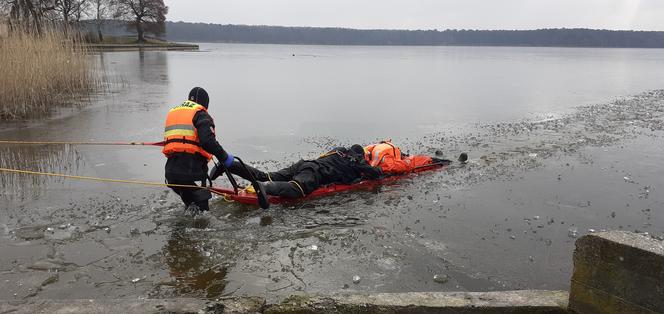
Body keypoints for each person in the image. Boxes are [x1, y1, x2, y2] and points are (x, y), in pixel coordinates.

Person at [162, 87, 235, 213]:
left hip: (171, 174)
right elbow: (208, 142)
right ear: (205, 103)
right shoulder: (200, 114)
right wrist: (224, 157)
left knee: (191, 206)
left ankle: (183, 229)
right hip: (191, 172)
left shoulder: (174, 112)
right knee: (202, 212)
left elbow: (179, 140)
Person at [216, 145, 383, 198]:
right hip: (314, 173)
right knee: (296, 188)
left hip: (304, 164)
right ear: (360, 156)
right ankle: (265, 188)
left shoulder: (338, 150)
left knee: (267, 174)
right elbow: (376, 173)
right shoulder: (356, 163)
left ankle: (230, 165)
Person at [364, 140, 444, 174]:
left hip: (423, 162)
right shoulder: (370, 151)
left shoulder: (384, 158)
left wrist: (381, 169)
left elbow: (396, 167)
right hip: (399, 157)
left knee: (419, 161)